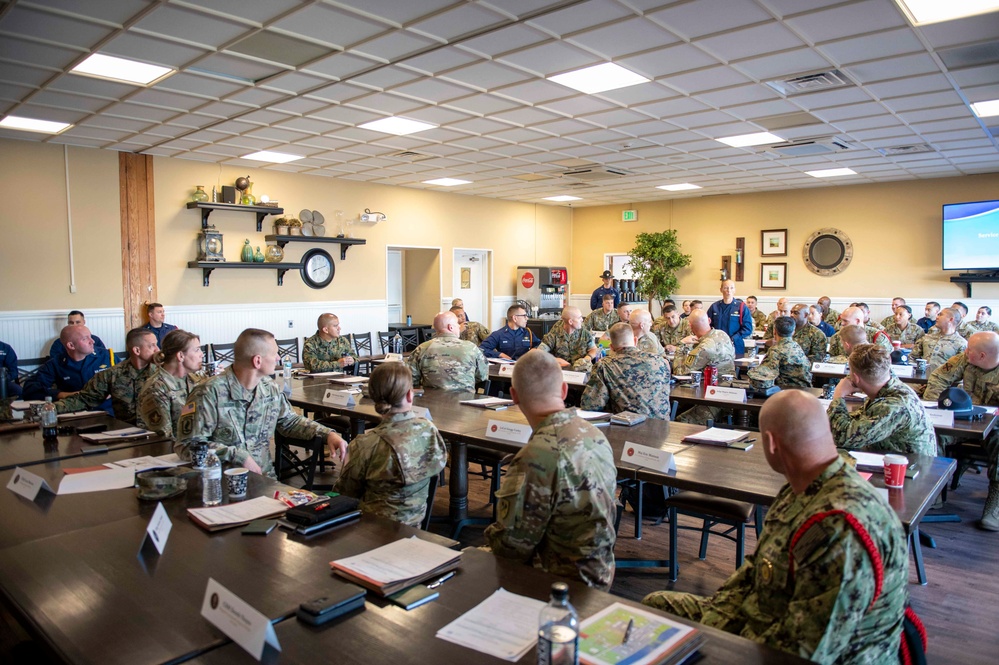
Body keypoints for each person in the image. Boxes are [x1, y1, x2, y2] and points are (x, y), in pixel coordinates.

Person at [643, 390, 908, 664]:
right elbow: (753, 574)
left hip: (805, 650)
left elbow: (804, 649)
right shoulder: (801, 489)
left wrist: (716, 645)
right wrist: (714, 622)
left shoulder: (841, 527)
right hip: (764, 617)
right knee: (656, 607)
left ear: (770, 443)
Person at [484, 350, 618, 590]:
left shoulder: (536, 455)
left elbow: (512, 546)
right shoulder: (594, 434)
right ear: (564, 390)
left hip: (558, 582)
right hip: (601, 571)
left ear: (514, 396)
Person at [176, 328, 348, 478]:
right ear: (257, 361)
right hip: (221, 483)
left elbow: (289, 422)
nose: (279, 358)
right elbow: (187, 445)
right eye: (274, 354)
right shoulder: (208, 393)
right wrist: (237, 456)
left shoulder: (269, 388)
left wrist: (327, 434)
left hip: (264, 479)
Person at [333, 362, 447, 527]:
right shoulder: (428, 429)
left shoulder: (365, 444)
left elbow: (344, 494)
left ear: (372, 396)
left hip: (369, 531)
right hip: (416, 526)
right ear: (410, 395)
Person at [923, 332, 999, 530]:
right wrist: (935, 406)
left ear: (982, 355)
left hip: (994, 424)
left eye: (970, 349)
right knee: (931, 434)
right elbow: (939, 377)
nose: (965, 351)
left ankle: (995, 504)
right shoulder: (966, 359)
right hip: (962, 419)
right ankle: (934, 492)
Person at [827, 344, 935, 456]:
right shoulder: (887, 385)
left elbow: (843, 437)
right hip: (889, 458)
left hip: (911, 467)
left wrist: (838, 395)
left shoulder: (894, 404)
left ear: (855, 377)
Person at [54, 327, 159, 425]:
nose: (157, 350)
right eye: (152, 345)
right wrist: (48, 408)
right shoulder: (112, 374)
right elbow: (83, 400)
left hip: (162, 435)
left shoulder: (163, 372)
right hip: (128, 435)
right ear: (137, 350)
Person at [581, 322, 671, 419]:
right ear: (635, 341)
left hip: (627, 427)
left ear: (611, 347)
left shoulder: (604, 365)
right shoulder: (660, 361)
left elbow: (591, 405)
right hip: (662, 427)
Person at [138, 329, 205, 438]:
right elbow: (164, 437)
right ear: (180, 356)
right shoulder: (156, 389)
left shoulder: (193, 378)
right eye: (197, 350)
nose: (201, 354)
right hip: (171, 450)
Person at [674, 310, 736, 425]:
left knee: (679, 420)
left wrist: (681, 345)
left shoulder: (705, 347)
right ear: (709, 320)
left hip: (714, 399)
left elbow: (681, 372)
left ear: (690, 326)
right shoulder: (722, 334)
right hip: (731, 390)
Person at [24, 325, 111, 407]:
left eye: (90, 336)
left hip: (108, 409)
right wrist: (66, 395)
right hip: (75, 410)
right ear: (71, 345)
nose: (92, 341)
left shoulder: (107, 356)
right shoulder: (57, 363)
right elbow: (30, 389)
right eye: (85, 339)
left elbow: (123, 378)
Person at [407, 311, 488, 392]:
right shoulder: (471, 348)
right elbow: (482, 376)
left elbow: (411, 380)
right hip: (465, 401)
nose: (459, 326)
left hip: (431, 402)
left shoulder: (422, 349)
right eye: (457, 324)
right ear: (451, 327)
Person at [755, 316, 812, 388]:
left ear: (774, 331)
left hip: (785, 390)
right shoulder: (797, 346)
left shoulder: (776, 350)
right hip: (804, 389)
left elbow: (764, 377)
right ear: (793, 332)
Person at [538, 306, 597, 371]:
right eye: (579, 318)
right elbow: (539, 353)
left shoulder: (583, 330)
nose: (582, 320)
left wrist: (586, 359)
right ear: (570, 322)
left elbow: (594, 349)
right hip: (560, 370)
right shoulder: (555, 332)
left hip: (580, 370)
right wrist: (555, 360)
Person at [706, 280, 753, 355]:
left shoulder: (741, 307)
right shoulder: (714, 307)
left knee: (736, 366)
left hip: (735, 345)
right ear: (721, 290)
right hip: (716, 346)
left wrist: (734, 338)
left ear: (735, 290)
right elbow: (707, 325)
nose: (728, 291)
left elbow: (748, 328)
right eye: (726, 288)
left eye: (731, 288)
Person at [828, 306, 892, 357]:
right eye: (841, 320)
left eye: (845, 321)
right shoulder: (837, 337)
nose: (842, 323)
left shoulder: (877, 336)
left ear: (857, 321)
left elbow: (883, 362)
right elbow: (832, 362)